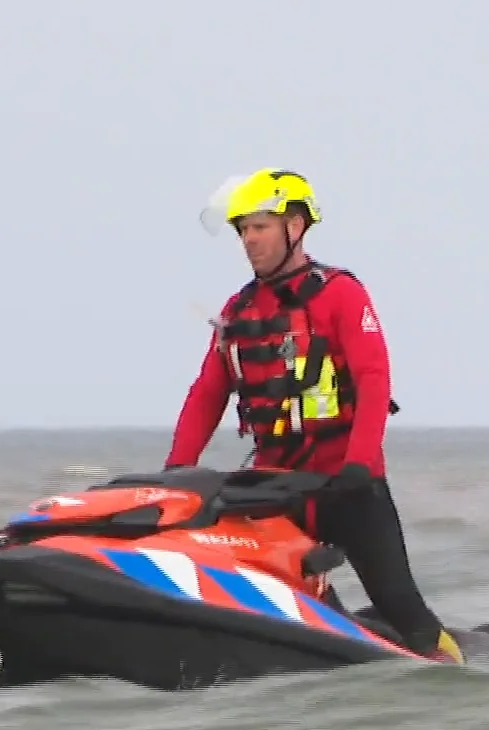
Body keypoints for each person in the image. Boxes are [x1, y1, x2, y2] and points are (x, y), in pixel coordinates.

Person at [163, 168, 464, 664]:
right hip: (274, 487)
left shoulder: (341, 294)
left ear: (295, 227)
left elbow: (373, 379)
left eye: (259, 226)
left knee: (401, 605)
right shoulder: (238, 310)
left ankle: (450, 670)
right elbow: (206, 394)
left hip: (344, 483)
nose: (248, 240)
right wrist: (177, 471)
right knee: (283, 594)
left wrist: (360, 464)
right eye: (242, 230)